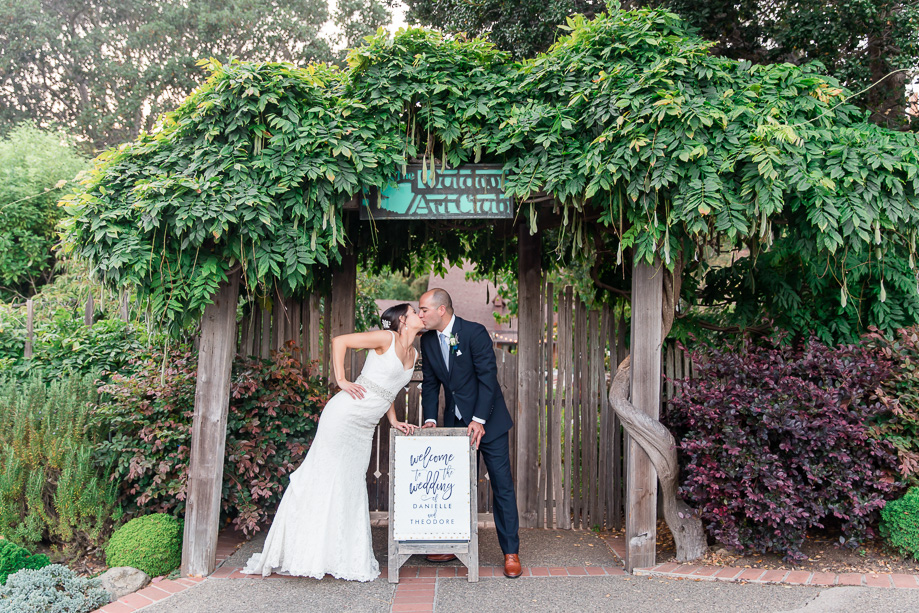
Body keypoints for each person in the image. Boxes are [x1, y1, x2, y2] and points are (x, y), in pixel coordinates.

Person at [242, 304, 421, 581]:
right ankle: (305, 553)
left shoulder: (413, 352)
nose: (420, 315)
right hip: (343, 416)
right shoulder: (386, 338)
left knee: (349, 485)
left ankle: (337, 554)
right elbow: (341, 341)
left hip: (365, 427)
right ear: (402, 320)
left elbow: (387, 389)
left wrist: (394, 420)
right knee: (325, 479)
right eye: (414, 311)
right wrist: (341, 379)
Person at [417, 288, 522, 578]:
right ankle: (454, 544)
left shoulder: (474, 332)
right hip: (455, 424)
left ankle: (511, 552)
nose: (420, 314)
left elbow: (488, 377)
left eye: (424, 309)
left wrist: (478, 419)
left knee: (502, 486)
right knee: (459, 487)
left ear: (441, 310)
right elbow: (430, 383)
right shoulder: (427, 340)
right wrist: (429, 419)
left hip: (490, 423)